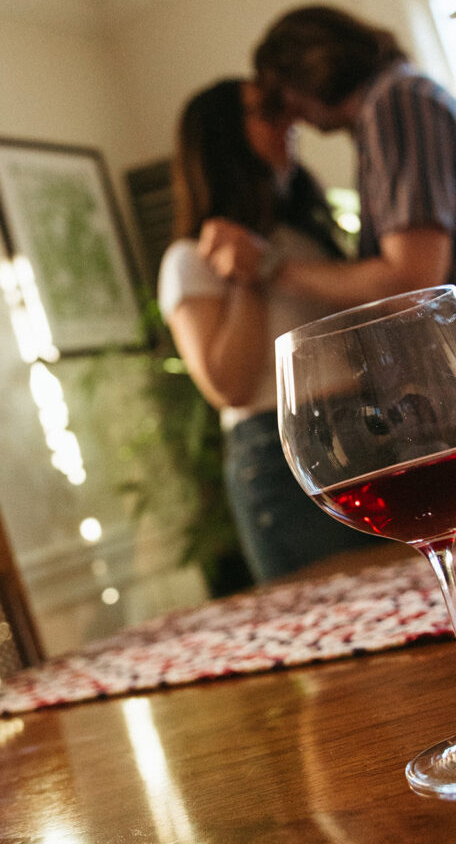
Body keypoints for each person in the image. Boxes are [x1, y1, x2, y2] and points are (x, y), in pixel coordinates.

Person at [203, 5, 456, 518]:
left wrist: (268, 268)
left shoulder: (397, 104)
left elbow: (412, 276)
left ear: (308, 74)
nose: (293, 120)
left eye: (283, 99)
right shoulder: (405, 99)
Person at [157, 77, 373, 582]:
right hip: (281, 458)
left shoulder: (303, 237)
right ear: (225, 138)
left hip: (366, 432)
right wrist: (246, 279)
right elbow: (228, 386)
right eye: (266, 112)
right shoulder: (189, 260)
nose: (288, 121)